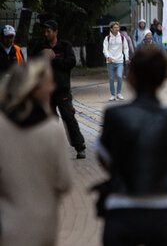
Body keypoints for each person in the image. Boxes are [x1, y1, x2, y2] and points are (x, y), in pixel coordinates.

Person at [96, 45, 167, 246]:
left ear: (131, 77)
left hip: (122, 208)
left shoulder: (114, 116)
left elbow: (104, 158)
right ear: (164, 79)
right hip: (163, 209)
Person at [0, 57, 72, 246]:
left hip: (6, 224)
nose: (52, 88)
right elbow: (64, 182)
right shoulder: (52, 130)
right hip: (43, 225)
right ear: (33, 87)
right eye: (48, 83)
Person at [31, 20, 86, 159]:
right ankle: (50, 149)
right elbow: (32, 64)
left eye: (49, 31)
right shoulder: (40, 47)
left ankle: (79, 147)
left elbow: (71, 62)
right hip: (46, 92)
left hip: (62, 90)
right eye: (44, 31)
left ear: (56, 32)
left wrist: (54, 58)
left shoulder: (65, 46)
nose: (46, 33)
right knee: (48, 121)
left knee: (69, 117)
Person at [103, 21, 130, 101]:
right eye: (115, 27)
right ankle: (113, 94)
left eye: (117, 27)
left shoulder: (122, 37)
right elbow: (105, 49)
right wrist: (108, 57)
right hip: (110, 61)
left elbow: (125, 48)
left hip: (119, 61)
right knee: (111, 78)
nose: (117, 29)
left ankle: (119, 93)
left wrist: (127, 58)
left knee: (119, 76)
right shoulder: (107, 38)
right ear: (111, 29)